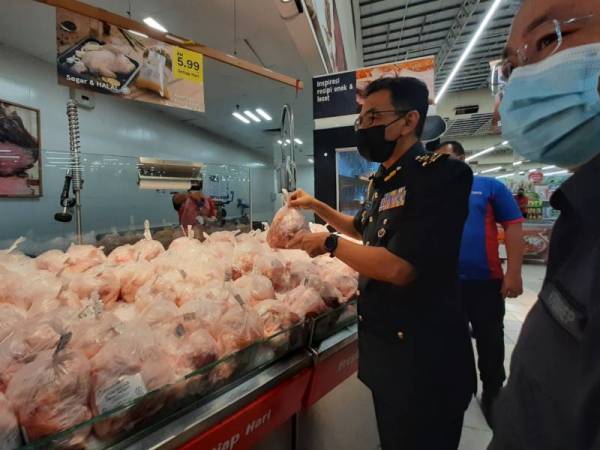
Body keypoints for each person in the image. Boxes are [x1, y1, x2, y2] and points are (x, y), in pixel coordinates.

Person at [287, 77, 475, 450]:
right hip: (388, 359)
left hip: (427, 361)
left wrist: (327, 242)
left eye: (374, 116)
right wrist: (317, 207)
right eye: (361, 118)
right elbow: (361, 229)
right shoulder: (382, 181)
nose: (364, 126)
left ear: (409, 121)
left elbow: (399, 267)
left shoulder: (441, 175)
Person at [488, 1, 600, 449]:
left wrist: (512, 272)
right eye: (512, 69)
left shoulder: (484, 188)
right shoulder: (583, 216)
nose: (511, 96)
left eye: (550, 39)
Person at [435, 140, 525, 425]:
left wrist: (514, 273)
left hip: (484, 280)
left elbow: (513, 226)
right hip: (443, 282)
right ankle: (457, 389)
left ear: (462, 158)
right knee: (449, 339)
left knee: (489, 338)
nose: (443, 166)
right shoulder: (433, 192)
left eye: (448, 159)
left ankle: (493, 390)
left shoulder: (489, 187)